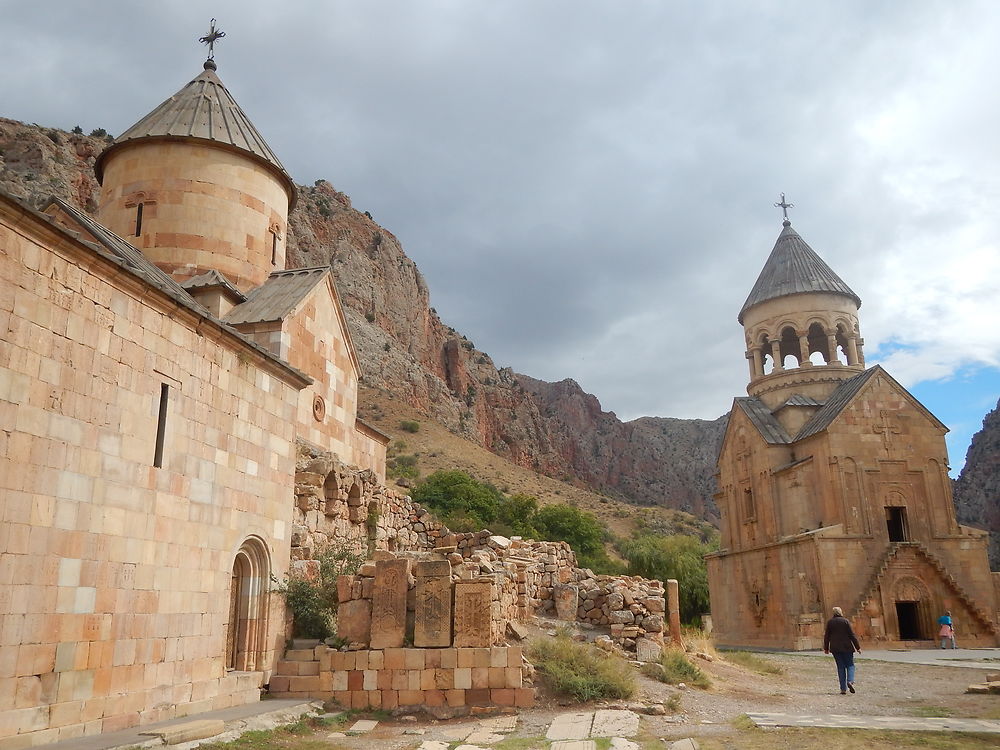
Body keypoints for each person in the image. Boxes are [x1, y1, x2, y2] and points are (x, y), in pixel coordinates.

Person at [823, 606, 861, 694]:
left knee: (840, 667)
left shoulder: (830, 623)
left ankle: (843, 689)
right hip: (847, 647)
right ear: (841, 612)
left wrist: (826, 648)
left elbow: (827, 636)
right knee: (850, 665)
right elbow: (852, 635)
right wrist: (858, 647)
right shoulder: (845, 621)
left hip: (835, 648)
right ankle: (850, 681)